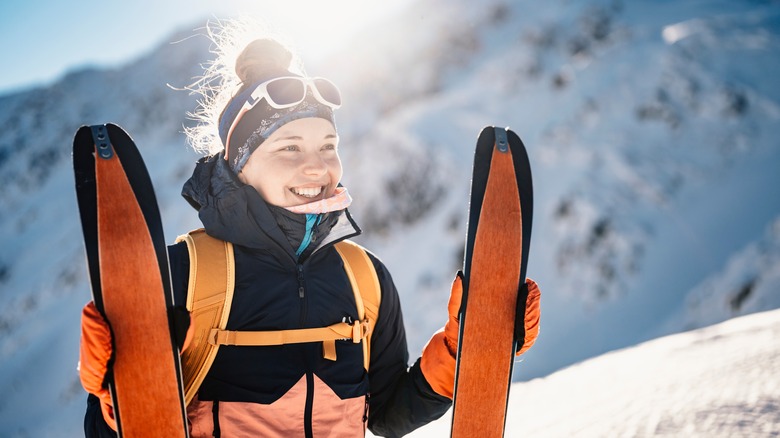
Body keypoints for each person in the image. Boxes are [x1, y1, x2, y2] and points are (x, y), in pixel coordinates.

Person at [78, 24, 541, 438]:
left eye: (328, 144)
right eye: (289, 146)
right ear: (240, 165)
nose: (316, 165)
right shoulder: (182, 275)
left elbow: (386, 414)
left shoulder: (365, 280)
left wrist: (463, 352)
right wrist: (117, 397)